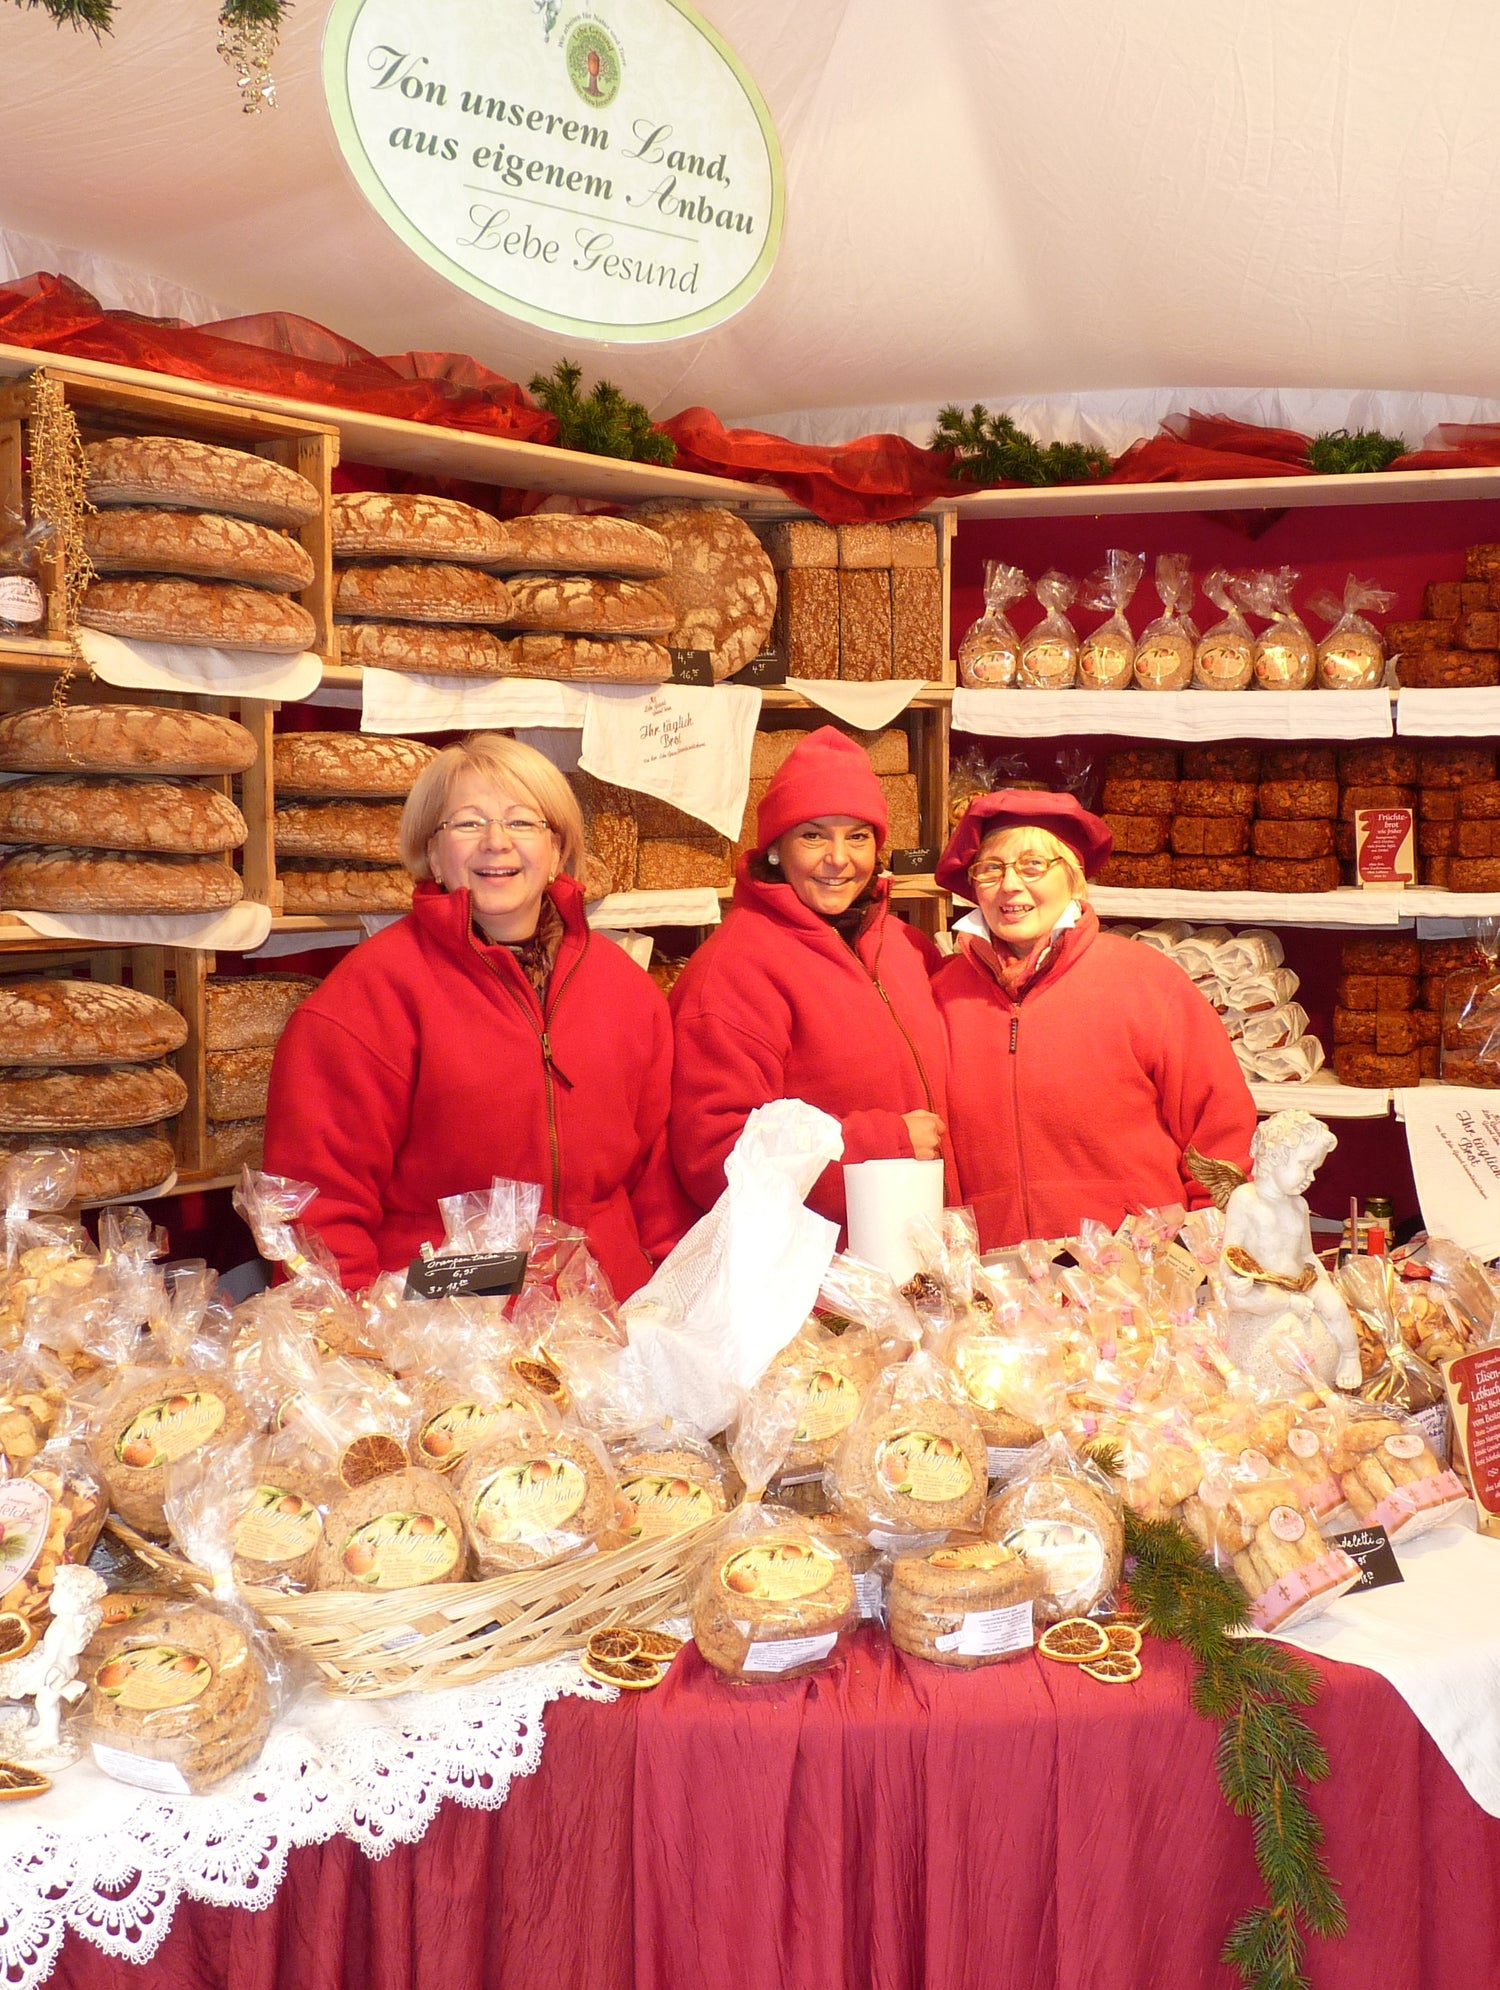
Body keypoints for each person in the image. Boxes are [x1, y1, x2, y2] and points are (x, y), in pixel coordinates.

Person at [264, 733, 689, 1297]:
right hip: (444, 1340)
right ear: (432, 854)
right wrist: (359, 1346)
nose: (496, 843)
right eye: (467, 823)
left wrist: (675, 1302)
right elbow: (316, 1209)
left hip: (610, 1321)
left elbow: (659, 1178)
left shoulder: (627, 990)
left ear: (558, 848)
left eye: (522, 823)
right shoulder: (366, 998)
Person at [932, 789, 1256, 1248]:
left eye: (1032, 865)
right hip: (995, 1281)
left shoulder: (1147, 982)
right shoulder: (942, 994)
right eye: (990, 868)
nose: (1009, 886)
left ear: (1076, 880)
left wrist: (1205, 1247)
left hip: (1135, 1279)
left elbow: (1219, 1129)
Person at [669, 726, 953, 1230]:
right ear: (776, 848)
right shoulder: (732, 971)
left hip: (920, 1254)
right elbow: (715, 1158)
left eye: (858, 836)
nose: (839, 859)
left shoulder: (907, 948)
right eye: (814, 834)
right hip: (821, 1286)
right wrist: (878, 1146)